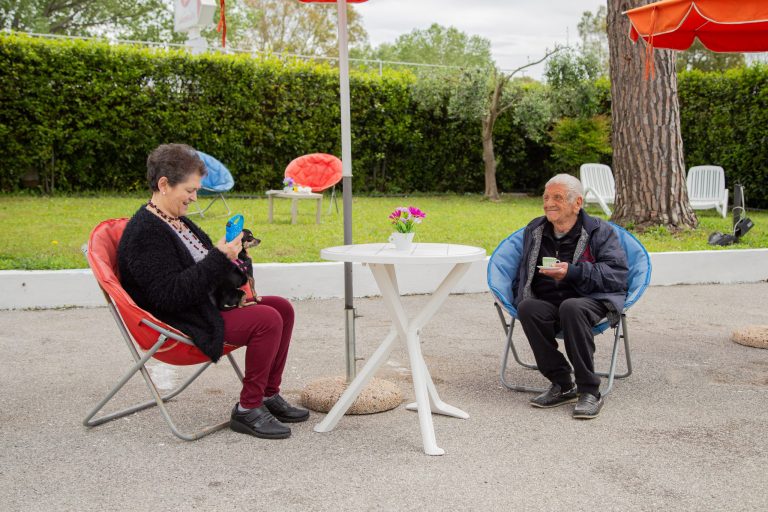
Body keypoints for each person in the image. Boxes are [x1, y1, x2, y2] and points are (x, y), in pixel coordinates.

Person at [118, 143, 309, 439]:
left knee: (282, 307)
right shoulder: (146, 232)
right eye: (190, 190)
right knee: (267, 320)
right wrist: (220, 256)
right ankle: (248, 409)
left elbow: (209, 266)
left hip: (204, 304)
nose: (194, 198)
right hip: (181, 321)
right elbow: (169, 296)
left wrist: (235, 254)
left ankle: (269, 396)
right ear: (164, 184)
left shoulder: (177, 220)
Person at [513, 173, 628, 419]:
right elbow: (522, 270)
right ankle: (563, 383)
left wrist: (573, 272)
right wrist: (521, 295)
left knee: (571, 307)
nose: (548, 203)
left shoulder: (599, 231)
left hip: (589, 299)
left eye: (557, 197)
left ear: (577, 203)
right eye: (545, 197)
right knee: (527, 308)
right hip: (548, 301)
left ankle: (589, 390)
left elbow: (616, 274)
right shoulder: (535, 229)